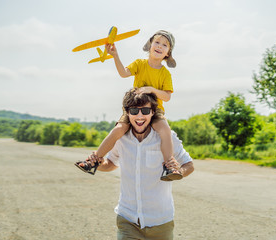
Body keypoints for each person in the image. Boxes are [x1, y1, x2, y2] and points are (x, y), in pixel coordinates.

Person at [83, 89, 194, 239]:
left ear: (153, 112)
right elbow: (111, 163)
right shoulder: (121, 138)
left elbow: (189, 165)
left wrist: (179, 171)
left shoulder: (167, 137)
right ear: (127, 113)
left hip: (161, 222)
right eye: (134, 111)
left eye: (145, 110)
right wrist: (99, 163)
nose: (140, 116)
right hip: (127, 219)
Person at [88, 30, 180, 180]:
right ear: (150, 45)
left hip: (155, 110)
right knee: (118, 129)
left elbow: (167, 96)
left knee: (164, 129)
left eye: (165, 45)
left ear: (168, 53)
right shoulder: (139, 64)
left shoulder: (165, 74)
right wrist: (115, 55)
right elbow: (124, 73)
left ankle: (170, 165)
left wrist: (151, 90)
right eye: (157, 42)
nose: (159, 46)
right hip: (134, 108)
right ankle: (94, 159)